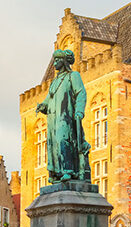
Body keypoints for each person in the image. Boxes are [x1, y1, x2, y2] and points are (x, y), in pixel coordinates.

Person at [35, 49, 90, 182]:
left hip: (65, 116)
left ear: (64, 61)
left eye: (57, 60)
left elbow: (81, 93)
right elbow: (49, 99)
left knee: (63, 139)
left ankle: (68, 170)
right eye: (54, 60)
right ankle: (57, 173)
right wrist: (43, 106)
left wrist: (79, 111)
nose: (54, 63)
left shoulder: (73, 76)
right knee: (53, 143)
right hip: (53, 118)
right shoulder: (54, 81)